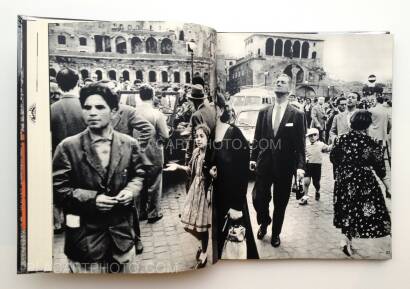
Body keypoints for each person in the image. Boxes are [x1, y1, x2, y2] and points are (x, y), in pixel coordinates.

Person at [53, 82, 149, 272]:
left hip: (121, 239)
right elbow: (58, 189)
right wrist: (92, 199)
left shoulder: (129, 144)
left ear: (114, 112)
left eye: (99, 107)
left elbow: (139, 175)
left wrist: (131, 190)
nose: (92, 113)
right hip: (85, 244)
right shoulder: (68, 147)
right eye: (87, 108)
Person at [250, 74, 306, 248]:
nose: (279, 83)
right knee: (259, 198)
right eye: (277, 81)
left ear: (289, 89)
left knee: (280, 202)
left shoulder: (297, 114)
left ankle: (275, 233)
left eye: (283, 82)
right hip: (264, 163)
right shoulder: (264, 112)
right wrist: (253, 157)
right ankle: (264, 221)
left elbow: (300, 143)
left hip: (284, 166)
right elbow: (257, 137)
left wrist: (300, 167)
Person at [330, 110, 391, 257]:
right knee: (365, 211)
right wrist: (388, 185)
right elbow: (380, 168)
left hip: (344, 180)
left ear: (352, 122)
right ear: (367, 125)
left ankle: (345, 240)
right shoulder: (372, 143)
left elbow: (333, 158)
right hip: (364, 182)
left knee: (347, 209)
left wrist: (345, 168)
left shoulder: (341, 139)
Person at [209, 93, 259, 259]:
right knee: (220, 243)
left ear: (221, 109)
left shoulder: (234, 134)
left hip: (233, 200)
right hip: (217, 200)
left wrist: (237, 206)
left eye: (213, 107)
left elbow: (242, 173)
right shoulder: (210, 134)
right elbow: (209, 162)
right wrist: (210, 169)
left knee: (237, 244)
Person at [164, 124, 213, 268]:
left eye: (201, 136)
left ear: (208, 138)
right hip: (194, 191)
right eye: (196, 136)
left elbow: (216, 173)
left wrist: (212, 175)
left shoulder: (211, 154)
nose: (198, 139)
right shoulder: (196, 152)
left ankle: (204, 252)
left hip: (205, 193)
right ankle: (202, 244)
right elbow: (190, 170)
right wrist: (178, 167)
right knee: (187, 224)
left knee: (202, 227)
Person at [50, 68, 87, 232]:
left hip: (58, 160)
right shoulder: (86, 107)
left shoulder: (51, 109)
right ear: (78, 83)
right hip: (83, 160)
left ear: (58, 86)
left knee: (63, 192)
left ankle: (64, 223)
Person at [136, 84, 169, 223]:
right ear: (153, 95)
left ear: (139, 96)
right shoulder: (156, 114)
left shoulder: (132, 112)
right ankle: (153, 213)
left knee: (139, 182)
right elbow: (165, 135)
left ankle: (140, 212)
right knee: (154, 182)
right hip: (153, 152)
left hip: (136, 153)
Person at [185, 83, 217, 164]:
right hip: (212, 152)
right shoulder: (212, 111)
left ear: (194, 101)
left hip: (201, 155)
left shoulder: (196, 115)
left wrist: (188, 159)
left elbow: (193, 139)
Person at [299, 128, 332, 205]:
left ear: (318, 136)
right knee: (306, 181)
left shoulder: (321, 144)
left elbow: (328, 148)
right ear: (308, 137)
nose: (312, 137)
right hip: (308, 165)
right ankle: (305, 197)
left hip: (317, 166)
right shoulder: (306, 145)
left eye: (314, 135)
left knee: (316, 183)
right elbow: (302, 153)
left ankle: (317, 190)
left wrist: (333, 143)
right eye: (310, 135)